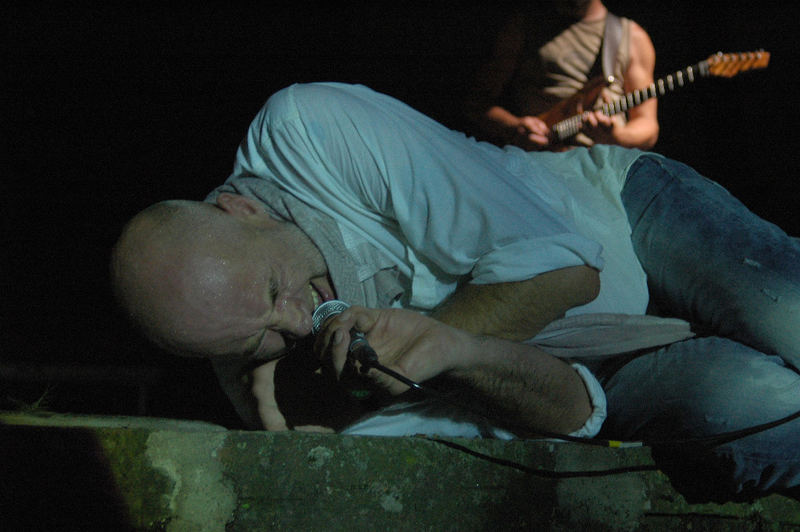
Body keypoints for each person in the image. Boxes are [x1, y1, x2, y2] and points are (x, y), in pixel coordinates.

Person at [111, 82, 800, 498]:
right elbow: (573, 411)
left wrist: (412, 350)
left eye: (271, 289)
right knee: (766, 411)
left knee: (790, 312)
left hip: (620, 214)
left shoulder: (307, 130)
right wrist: (455, 353)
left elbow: (563, 268)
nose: (292, 327)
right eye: (253, 341)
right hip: (610, 369)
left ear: (242, 211)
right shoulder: (288, 395)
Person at [464, 0, 659, 151]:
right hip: (537, 164)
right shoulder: (524, 25)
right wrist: (514, 127)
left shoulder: (632, 37)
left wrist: (617, 137)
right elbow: (477, 102)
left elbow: (648, 125)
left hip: (602, 169)